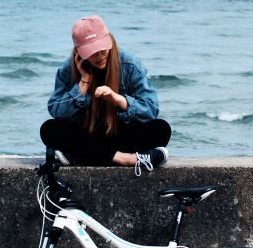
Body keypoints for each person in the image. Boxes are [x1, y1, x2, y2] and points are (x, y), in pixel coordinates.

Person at [40, 15, 171, 173]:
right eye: (93, 52)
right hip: (86, 137)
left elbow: (151, 109)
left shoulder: (130, 65)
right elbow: (57, 112)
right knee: (49, 129)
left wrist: (118, 100)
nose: (100, 55)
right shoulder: (68, 70)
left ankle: (81, 156)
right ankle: (127, 159)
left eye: (103, 48)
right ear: (79, 52)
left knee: (161, 129)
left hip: (119, 135)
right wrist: (83, 84)